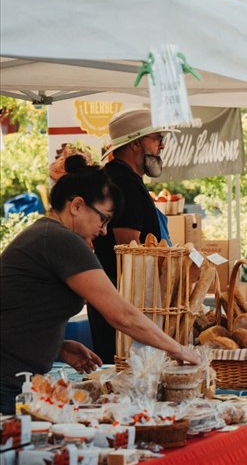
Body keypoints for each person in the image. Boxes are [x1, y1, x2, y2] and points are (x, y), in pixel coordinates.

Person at [0, 155, 200, 414]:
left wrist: (57, 345)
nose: (104, 230)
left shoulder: (47, 234)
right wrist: (178, 350)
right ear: (77, 206)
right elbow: (122, 315)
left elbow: (22, 307)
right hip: (6, 383)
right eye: (103, 219)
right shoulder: (62, 240)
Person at [92, 109, 176, 364]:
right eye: (156, 138)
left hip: (122, 301)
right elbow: (131, 252)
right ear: (137, 143)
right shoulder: (122, 182)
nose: (161, 145)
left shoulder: (123, 177)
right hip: (125, 302)